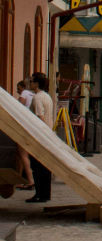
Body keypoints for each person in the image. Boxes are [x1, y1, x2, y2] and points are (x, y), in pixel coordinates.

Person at [27, 74, 54, 204]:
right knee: (45, 167)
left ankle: (39, 194)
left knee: (37, 167)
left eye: (31, 81)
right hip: (48, 134)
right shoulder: (47, 97)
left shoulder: (37, 98)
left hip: (40, 135)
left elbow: (40, 116)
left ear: (37, 84)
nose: (30, 83)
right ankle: (45, 193)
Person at [15, 80, 34, 191]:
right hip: (30, 125)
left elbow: (18, 106)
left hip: (23, 124)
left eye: (18, 88)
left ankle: (29, 180)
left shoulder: (24, 93)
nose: (18, 91)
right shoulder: (33, 94)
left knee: (23, 154)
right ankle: (23, 179)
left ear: (22, 87)